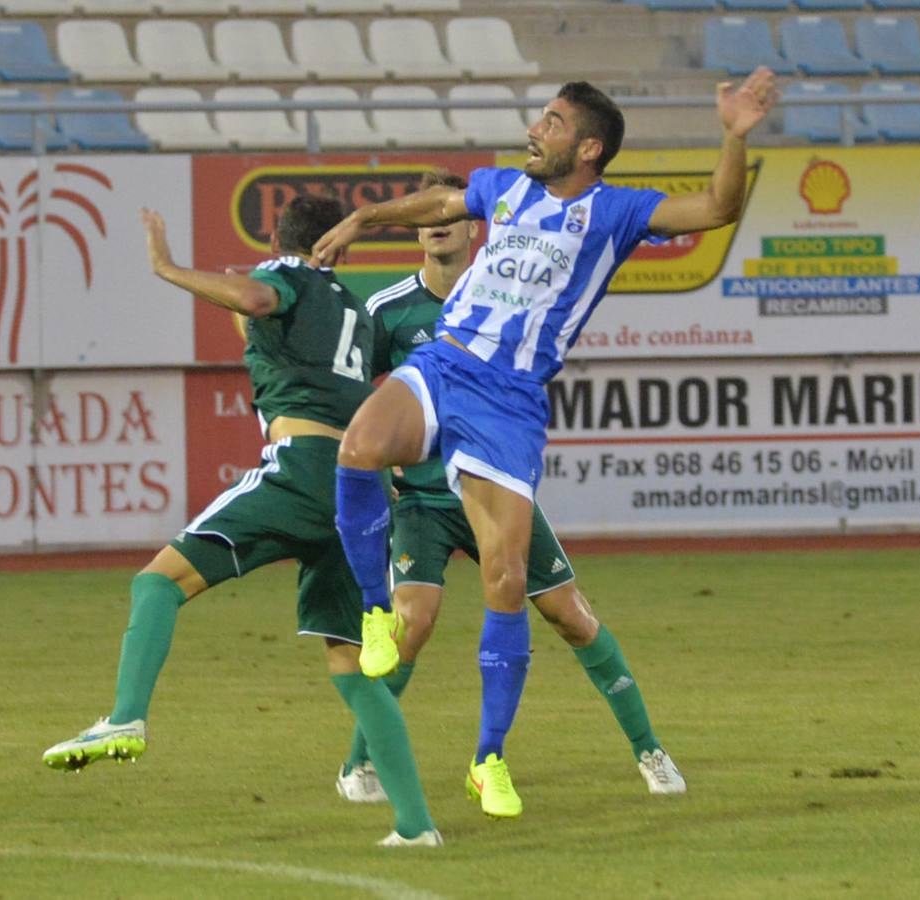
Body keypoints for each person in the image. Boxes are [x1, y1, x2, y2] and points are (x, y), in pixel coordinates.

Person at [315, 72, 777, 818]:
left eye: (553, 122)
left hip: (509, 400)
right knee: (360, 448)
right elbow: (438, 202)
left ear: (588, 147)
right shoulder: (504, 187)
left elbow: (718, 207)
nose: (536, 128)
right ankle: (373, 611)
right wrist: (368, 216)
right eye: (541, 117)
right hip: (447, 361)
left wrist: (733, 133)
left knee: (506, 584)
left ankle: (488, 758)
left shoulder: (616, 211)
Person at [41, 196, 442, 849]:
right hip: (360, 490)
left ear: (280, 241)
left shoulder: (285, 279)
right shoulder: (352, 310)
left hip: (304, 468)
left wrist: (167, 266)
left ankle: (124, 718)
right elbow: (291, 341)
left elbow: (257, 299)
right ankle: (415, 825)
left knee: (156, 583)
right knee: (351, 663)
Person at [333, 171, 686, 811]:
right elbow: (362, 397)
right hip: (424, 502)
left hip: (490, 477)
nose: (436, 226)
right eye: (426, 220)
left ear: (477, 228)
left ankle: (648, 749)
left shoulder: (514, 293)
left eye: (449, 217)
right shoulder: (389, 310)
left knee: (571, 616)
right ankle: (360, 762)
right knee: (409, 627)